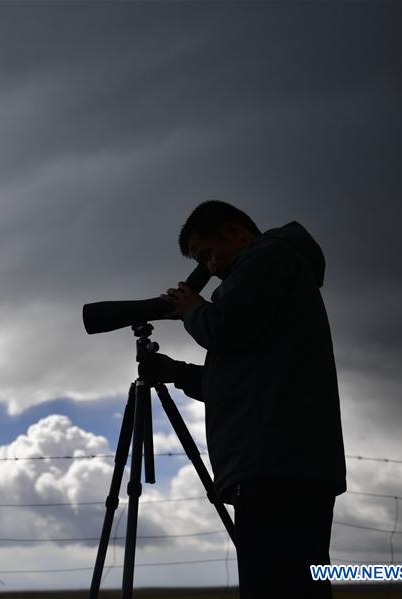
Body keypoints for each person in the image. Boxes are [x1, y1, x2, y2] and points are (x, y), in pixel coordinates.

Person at [142, 200, 346, 598]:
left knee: (276, 587)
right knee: (293, 585)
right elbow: (239, 380)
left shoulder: (268, 257)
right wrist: (176, 373)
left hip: (275, 465)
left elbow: (226, 331)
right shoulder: (265, 277)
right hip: (281, 462)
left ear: (235, 232)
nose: (210, 268)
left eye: (207, 255)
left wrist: (192, 310)